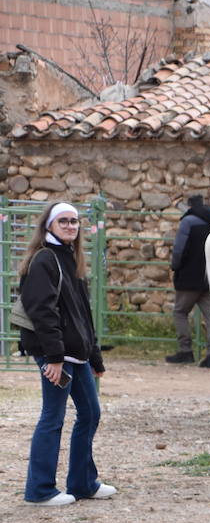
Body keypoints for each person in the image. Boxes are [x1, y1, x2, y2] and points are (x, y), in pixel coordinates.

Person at [17, 201, 115, 507]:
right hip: (57, 355)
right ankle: (40, 490)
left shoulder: (70, 258)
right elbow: (42, 312)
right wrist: (54, 358)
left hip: (76, 354)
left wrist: (95, 356)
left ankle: (83, 482)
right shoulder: (44, 259)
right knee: (53, 416)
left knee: (90, 413)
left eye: (74, 221)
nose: (71, 226)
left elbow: (83, 314)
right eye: (64, 221)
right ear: (49, 225)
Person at [166, 195, 210, 367]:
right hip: (209, 277)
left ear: (190, 206)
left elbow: (179, 249)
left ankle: (185, 351)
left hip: (189, 278)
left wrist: (174, 266)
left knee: (180, 312)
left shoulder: (188, 222)